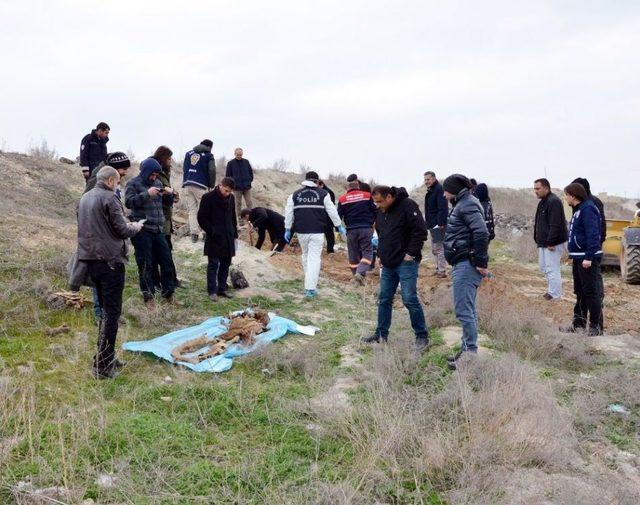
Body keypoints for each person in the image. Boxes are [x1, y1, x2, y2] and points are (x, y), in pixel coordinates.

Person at [77, 166, 144, 378]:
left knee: (106, 312)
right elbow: (122, 230)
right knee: (112, 314)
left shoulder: (85, 197)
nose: (118, 184)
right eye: (117, 181)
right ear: (109, 181)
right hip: (110, 262)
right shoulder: (109, 197)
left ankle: (106, 356)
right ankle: (103, 367)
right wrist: (136, 226)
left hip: (91, 261)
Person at [361, 186, 429, 350]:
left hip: (406, 262)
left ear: (390, 197)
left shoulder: (408, 205)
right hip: (388, 263)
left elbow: (420, 231)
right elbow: (381, 234)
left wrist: (411, 253)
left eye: (380, 202)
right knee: (384, 298)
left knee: (409, 298)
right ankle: (381, 335)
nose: (378, 205)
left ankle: (422, 337)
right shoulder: (381, 211)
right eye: (375, 202)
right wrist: (380, 255)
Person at [441, 174, 489, 370]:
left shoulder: (467, 203)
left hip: (466, 264)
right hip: (462, 262)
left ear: (453, 189)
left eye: (445, 190)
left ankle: (470, 354)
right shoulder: (463, 203)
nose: (443, 194)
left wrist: (480, 261)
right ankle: (466, 350)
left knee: (463, 310)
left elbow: (481, 232)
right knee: (468, 309)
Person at [83, 151, 131, 321]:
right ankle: (100, 314)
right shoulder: (97, 180)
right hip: (97, 240)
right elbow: (86, 207)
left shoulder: (113, 184)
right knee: (101, 278)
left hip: (110, 239)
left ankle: (111, 314)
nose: (125, 172)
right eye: (123, 169)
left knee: (110, 280)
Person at [284, 171, 345, 298]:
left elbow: (289, 213)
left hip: (301, 231)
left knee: (306, 255)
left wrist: (288, 229)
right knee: (314, 258)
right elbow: (332, 211)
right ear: (317, 181)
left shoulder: (294, 195)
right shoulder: (324, 194)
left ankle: (309, 282)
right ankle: (310, 289)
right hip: (317, 231)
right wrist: (339, 225)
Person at [125, 157, 176, 306]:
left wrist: (171, 195)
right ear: (146, 171)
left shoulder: (158, 183)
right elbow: (129, 202)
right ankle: (149, 297)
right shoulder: (133, 183)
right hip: (142, 231)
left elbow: (166, 204)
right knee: (146, 264)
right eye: (152, 175)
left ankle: (168, 294)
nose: (154, 178)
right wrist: (147, 194)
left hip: (159, 230)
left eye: (156, 175)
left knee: (167, 262)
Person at [561, 183, 604, 336]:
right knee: (580, 292)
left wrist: (589, 257)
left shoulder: (588, 209)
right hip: (579, 257)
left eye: (566, 195)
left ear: (573, 195)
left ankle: (596, 327)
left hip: (587, 258)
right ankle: (578, 324)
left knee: (591, 293)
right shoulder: (578, 210)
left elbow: (593, 235)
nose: (565, 198)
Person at [197, 177, 239, 302]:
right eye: (226, 190)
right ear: (220, 185)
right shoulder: (208, 197)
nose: (227, 193)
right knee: (213, 264)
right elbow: (201, 218)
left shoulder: (231, 198)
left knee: (226, 263)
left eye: (229, 191)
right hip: (214, 237)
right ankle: (212, 291)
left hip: (228, 236)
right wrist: (212, 231)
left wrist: (235, 233)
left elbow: (232, 217)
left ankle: (222, 288)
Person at [337, 178, 377, 286]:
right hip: (366, 228)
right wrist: (373, 222)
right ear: (358, 187)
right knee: (367, 252)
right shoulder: (367, 196)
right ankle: (360, 273)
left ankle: (356, 277)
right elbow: (375, 211)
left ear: (348, 188)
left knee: (353, 255)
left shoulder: (342, 199)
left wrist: (338, 228)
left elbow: (338, 216)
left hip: (351, 230)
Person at [533, 178, 568, 300]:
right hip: (544, 242)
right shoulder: (543, 202)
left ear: (546, 188)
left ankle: (555, 295)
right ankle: (551, 291)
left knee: (552, 268)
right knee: (544, 267)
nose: (535, 191)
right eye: (534, 189)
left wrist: (551, 241)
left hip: (552, 242)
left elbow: (555, 224)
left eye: (538, 188)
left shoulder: (554, 202)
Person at [152, 146, 180, 289]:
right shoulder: (155, 173)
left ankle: (172, 280)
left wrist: (174, 195)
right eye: (169, 158)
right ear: (162, 158)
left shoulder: (164, 172)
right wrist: (169, 195)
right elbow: (158, 195)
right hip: (159, 217)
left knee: (167, 249)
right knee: (161, 252)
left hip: (166, 216)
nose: (171, 161)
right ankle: (161, 283)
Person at [182, 139, 216, 243]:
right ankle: (205, 233)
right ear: (209, 147)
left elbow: (184, 168)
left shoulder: (188, 153)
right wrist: (211, 184)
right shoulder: (209, 155)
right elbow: (212, 170)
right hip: (200, 185)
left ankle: (194, 234)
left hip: (187, 184)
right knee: (205, 210)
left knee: (192, 211)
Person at [423, 171, 449, 278]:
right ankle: (439, 268)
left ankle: (442, 271)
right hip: (432, 223)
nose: (426, 182)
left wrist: (441, 223)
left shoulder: (439, 189)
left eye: (428, 179)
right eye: (425, 180)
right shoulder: (432, 190)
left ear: (433, 178)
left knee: (439, 248)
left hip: (438, 224)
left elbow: (443, 207)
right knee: (435, 249)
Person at [572, 177, 606, 244]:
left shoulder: (594, 203)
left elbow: (601, 223)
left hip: (591, 244)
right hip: (580, 243)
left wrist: (600, 240)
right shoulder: (578, 202)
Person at [225, 148, 254, 219]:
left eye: (240, 155)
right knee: (238, 204)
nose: (239, 156)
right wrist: (232, 186)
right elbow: (228, 176)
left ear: (242, 154)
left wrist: (249, 181)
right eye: (237, 155)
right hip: (236, 188)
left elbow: (251, 172)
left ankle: (251, 217)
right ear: (235, 154)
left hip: (247, 187)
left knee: (249, 203)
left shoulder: (246, 162)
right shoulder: (230, 163)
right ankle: (239, 219)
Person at [318, 179, 337, 253]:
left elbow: (330, 206)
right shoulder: (320, 192)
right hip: (321, 215)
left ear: (321, 185)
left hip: (328, 216)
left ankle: (330, 249)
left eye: (318, 186)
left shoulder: (328, 192)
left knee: (329, 233)